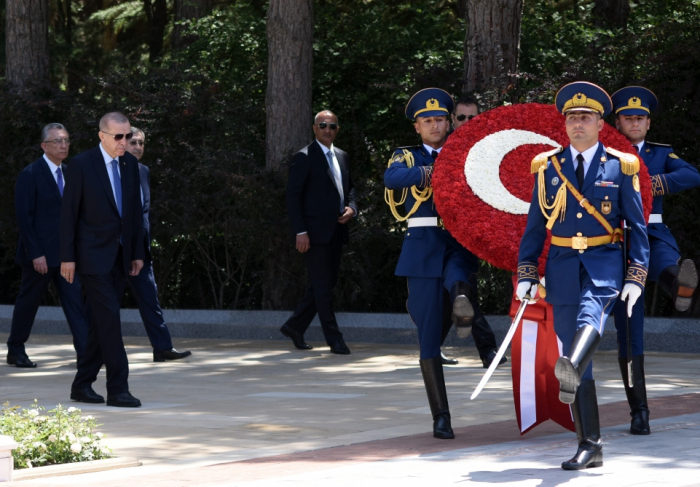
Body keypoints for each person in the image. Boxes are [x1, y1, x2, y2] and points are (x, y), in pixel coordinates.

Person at [516, 82, 649, 469]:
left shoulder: (620, 166)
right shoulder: (548, 167)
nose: (578, 125)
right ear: (565, 124)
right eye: (572, 118)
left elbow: (636, 227)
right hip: (561, 265)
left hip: (604, 260)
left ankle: (569, 365)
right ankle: (590, 445)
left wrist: (636, 276)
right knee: (581, 361)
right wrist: (527, 270)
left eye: (585, 118)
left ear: (599, 124)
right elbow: (535, 225)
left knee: (592, 315)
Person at [384, 88, 500, 439]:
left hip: (457, 240)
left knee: (458, 275)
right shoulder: (406, 155)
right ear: (417, 128)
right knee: (429, 339)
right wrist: (433, 171)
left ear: (449, 121)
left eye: (439, 119)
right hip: (422, 246)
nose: (435, 126)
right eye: (427, 121)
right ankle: (441, 416)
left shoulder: (464, 152)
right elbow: (393, 179)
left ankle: (462, 305)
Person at [610, 86, 700, 435]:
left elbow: (692, 175)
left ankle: (680, 289)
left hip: (651, 230)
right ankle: (639, 411)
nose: (635, 122)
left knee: (667, 266)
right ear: (617, 121)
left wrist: (654, 182)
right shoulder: (604, 154)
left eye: (640, 118)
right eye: (628, 117)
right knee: (630, 334)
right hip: (615, 239)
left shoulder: (661, 154)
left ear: (648, 123)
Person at [60, 112, 145, 408]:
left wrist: (136, 253)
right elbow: (68, 215)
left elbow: (134, 213)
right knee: (110, 319)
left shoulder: (131, 165)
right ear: (102, 136)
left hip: (121, 257)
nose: (125, 142)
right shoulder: (82, 165)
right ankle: (118, 388)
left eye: (128, 136)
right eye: (119, 137)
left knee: (99, 322)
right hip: (91, 257)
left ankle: (82, 384)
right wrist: (67, 258)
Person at [6, 124, 89, 368]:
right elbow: (25, 218)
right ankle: (16, 350)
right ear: (44, 146)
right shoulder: (30, 174)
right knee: (28, 303)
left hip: (66, 256)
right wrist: (36, 253)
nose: (63, 145)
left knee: (75, 303)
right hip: (39, 257)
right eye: (57, 141)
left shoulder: (71, 172)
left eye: (66, 140)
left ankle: (86, 354)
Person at [281, 110, 357, 355]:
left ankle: (295, 326)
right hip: (313, 234)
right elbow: (293, 198)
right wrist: (300, 231)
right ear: (314, 128)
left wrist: (352, 209)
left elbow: (350, 190)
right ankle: (334, 339)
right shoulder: (303, 157)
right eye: (322, 125)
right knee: (323, 287)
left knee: (324, 283)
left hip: (337, 230)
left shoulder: (342, 156)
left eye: (332, 126)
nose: (327, 129)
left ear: (337, 129)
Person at [440, 94, 504, 368]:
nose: (467, 122)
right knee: (455, 292)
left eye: (473, 117)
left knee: (460, 287)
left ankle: (485, 350)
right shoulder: (439, 152)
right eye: (462, 117)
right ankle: (486, 350)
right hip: (434, 236)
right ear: (453, 121)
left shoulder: (487, 154)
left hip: (465, 236)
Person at [124, 127, 191, 362]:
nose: (138, 147)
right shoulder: (111, 172)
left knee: (150, 299)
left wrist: (141, 249)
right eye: (133, 142)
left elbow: (142, 215)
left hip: (141, 251)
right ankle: (90, 350)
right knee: (101, 304)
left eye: (141, 143)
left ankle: (162, 348)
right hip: (115, 251)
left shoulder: (143, 171)